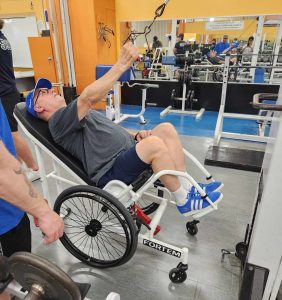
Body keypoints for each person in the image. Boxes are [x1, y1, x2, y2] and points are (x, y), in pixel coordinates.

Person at [25, 42, 223, 217]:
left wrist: (136, 135)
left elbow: (111, 127)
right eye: (43, 92)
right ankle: (184, 201)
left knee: (166, 129)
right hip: (110, 171)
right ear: (39, 108)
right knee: (154, 144)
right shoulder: (58, 121)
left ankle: (189, 189)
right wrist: (121, 65)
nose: (51, 90)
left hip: (126, 154)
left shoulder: (75, 115)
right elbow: (87, 97)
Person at [0, 101, 64, 300]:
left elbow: (7, 142)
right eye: (42, 94)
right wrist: (42, 211)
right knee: (9, 281)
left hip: (12, 209)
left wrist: (32, 200)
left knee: (10, 282)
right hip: (6, 218)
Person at [0, 18, 39, 181]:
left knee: (12, 133)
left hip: (5, 93)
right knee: (5, 135)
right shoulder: (2, 37)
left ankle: (34, 169)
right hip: (7, 90)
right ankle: (20, 168)